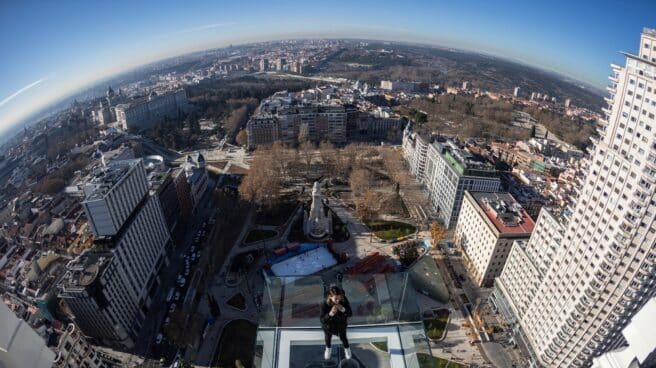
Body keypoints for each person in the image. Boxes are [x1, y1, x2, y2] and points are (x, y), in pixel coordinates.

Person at [320, 284, 353, 360]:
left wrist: (343, 309)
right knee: (328, 338)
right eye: (336, 299)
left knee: (344, 338)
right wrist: (330, 314)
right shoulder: (324, 304)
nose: (338, 301)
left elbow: (350, 313)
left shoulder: (344, 300)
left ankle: (347, 349)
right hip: (329, 326)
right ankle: (328, 349)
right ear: (330, 297)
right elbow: (322, 320)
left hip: (340, 324)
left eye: (339, 298)